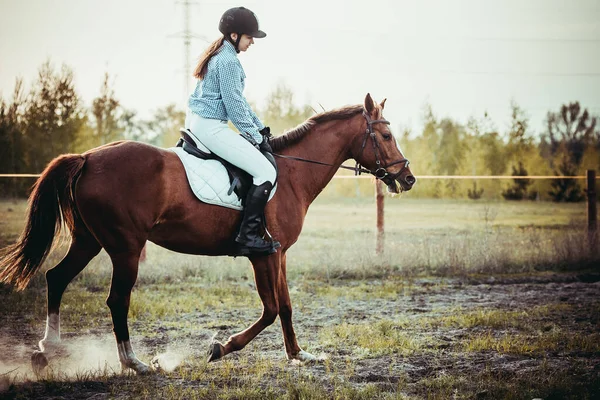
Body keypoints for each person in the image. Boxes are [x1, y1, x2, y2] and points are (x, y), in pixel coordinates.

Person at [186, 6, 278, 255]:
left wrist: (260, 128)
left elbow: (240, 102)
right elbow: (235, 108)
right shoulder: (227, 61)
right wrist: (256, 139)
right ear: (235, 36)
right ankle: (247, 237)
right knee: (266, 171)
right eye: (249, 38)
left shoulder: (222, 56)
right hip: (211, 128)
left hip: (201, 122)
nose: (252, 43)